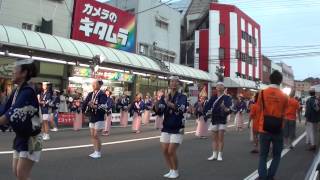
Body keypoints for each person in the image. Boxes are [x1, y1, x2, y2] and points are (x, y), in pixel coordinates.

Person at [0, 59, 42, 180]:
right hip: (21, 136)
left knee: (22, 174)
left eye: (14, 70)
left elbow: (10, 114)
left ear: (24, 73)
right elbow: (4, 110)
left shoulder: (28, 91)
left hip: (33, 138)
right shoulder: (16, 91)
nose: (12, 73)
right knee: (17, 172)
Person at [256, 70, 288, 180]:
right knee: (277, 155)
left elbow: (259, 109)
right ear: (280, 81)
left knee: (263, 155)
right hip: (278, 128)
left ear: (270, 79)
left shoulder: (262, 93)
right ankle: (270, 176)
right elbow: (284, 112)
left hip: (263, 127)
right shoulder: (284, 96)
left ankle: (263, 176)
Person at [161, 76, 187, 179]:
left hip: (177, 127)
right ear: (169, 84)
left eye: (176, 82)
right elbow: (159, 111)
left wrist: (168, 103)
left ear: (179, 84)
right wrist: (158, 103)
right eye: (171, 81)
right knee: (165, 151)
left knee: (171, 151)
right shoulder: (166, 96)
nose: (173, 83)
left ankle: (175, 171)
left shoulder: (182, 97)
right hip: (166, 126)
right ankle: (171, 170)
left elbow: (181, 108)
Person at [205, 82, 232, 161]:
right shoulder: (213, 97)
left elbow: (229, 109)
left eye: (221, 85)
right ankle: (214, 154)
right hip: (214, 119)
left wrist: (224, 108)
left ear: (224, 88)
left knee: (220, 138)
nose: (219, 87)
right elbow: (207, 107)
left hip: (222, 119)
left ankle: (220, 154)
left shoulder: (227, 98)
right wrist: (206, 113)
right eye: (218, 85)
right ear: (216, 88)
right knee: (214, 139)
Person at [82, 79, 107, 159]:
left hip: (99, 116)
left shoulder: (102, 94)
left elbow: (104, 106)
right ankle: (95, 151)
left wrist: (95, 106)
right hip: (92, 115)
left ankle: (98, 152)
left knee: (96, 135)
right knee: (92, 135)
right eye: (92, 84)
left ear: (99, 85)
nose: (93, 85)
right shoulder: (90, 94)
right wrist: (83, 111)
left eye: (94, 84)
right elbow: (85, 102)